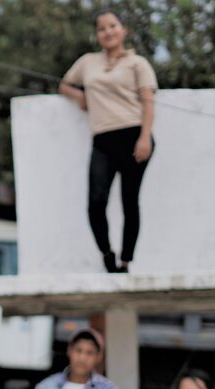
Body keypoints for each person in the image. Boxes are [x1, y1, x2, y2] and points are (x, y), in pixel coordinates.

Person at [59, 9, 157, 274]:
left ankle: (126, 261)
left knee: (129, 201)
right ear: (97, 35)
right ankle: (107, 253)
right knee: (95, 202)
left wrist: (145, 137)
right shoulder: (88, 63)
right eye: (102, 28)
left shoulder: (137, 63)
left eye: (113, 26)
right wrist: (79, 97)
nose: (108, 32)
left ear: (123, 30)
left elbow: (148, 102)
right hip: (103, 139)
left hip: (134, 135)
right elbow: (64, 84)